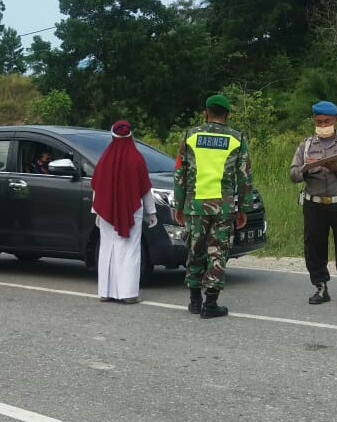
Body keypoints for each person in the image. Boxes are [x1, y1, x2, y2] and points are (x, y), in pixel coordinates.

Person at [173, 94, 253, 319]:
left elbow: (180, 173)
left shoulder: (190, 136)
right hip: (223, 208)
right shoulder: (237, 138)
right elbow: (244, 177)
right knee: (217, 252)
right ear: (227, 115)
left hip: (195, 206)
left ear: (205, 112)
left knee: (195, 250)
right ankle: (211, 304)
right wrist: (243, 208)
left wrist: (179, 205)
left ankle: (195, 301)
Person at [290, 100, 337, 306]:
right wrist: (306, 168)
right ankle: (320, 288)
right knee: (314, 246)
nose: (323, 125)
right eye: (319, 122)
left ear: (336, 120)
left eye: (327, 121)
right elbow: (293, 174)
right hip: (314, 204)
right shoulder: (305, 146)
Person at [91, 120, 157, 304]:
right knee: (129, 250)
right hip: (131, 211)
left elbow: (97, 187)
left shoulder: (105, 159)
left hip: (105, 212)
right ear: (130, 136)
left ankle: (106, 291)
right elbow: (145, 188)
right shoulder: (136, 158)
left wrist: (96, 211)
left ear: (113, 136)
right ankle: (128, 293)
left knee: (107, 249)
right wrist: (151, 212)